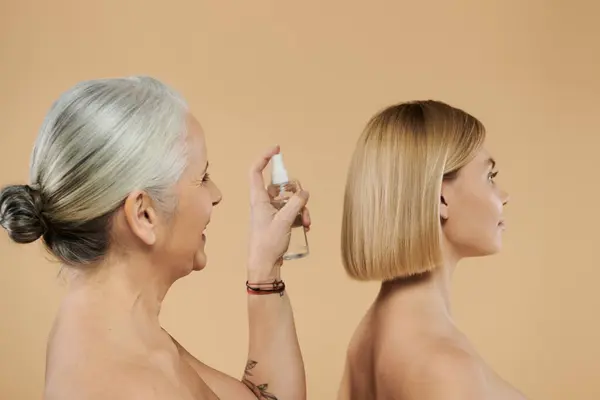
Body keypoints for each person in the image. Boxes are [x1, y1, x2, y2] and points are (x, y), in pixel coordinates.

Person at [0, 76, 310, 400]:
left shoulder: (125, 334)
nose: (216, 194)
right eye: (202, 177)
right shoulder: (124, 385)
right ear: (144, 214)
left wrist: (265, 265)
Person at [337, 100, 527, 399]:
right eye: (490, 177)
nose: (504, 196)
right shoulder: (445, 367)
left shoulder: (367, 338)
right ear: (440, 198)